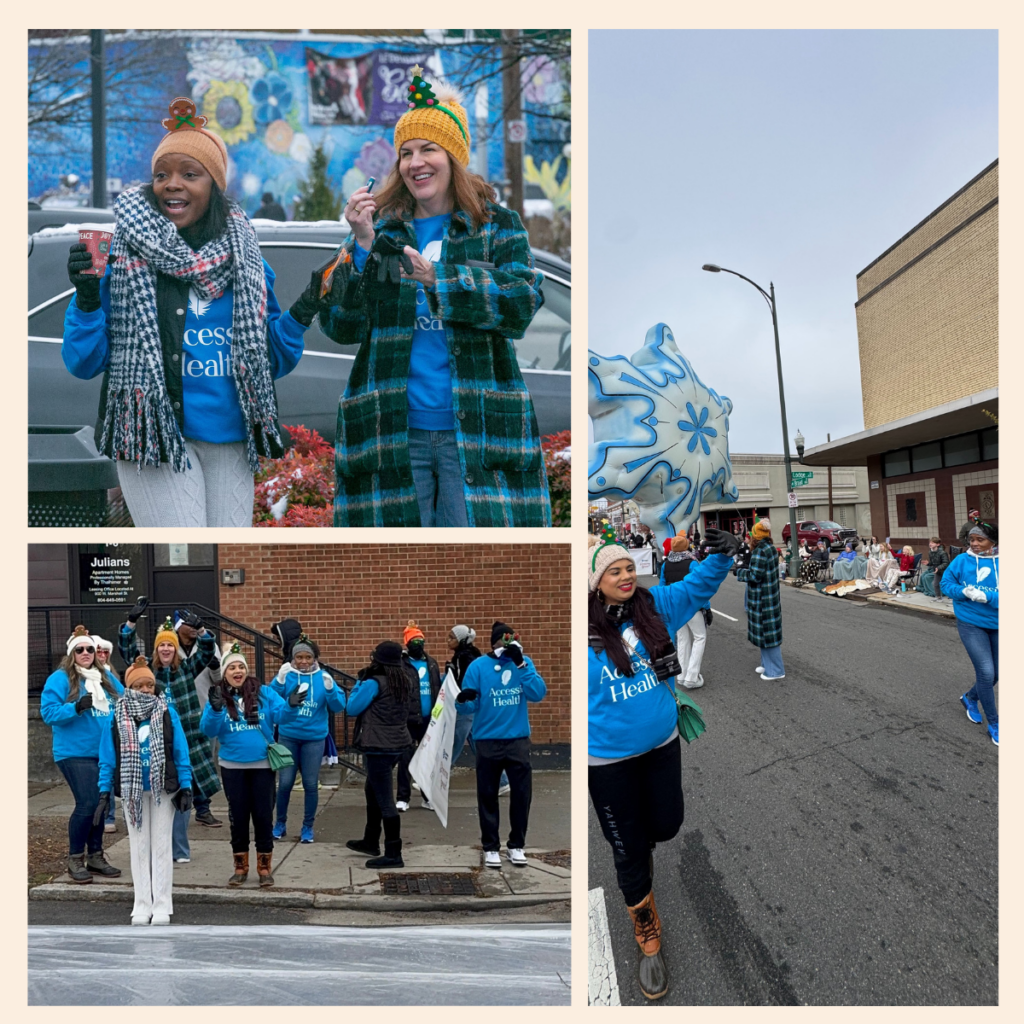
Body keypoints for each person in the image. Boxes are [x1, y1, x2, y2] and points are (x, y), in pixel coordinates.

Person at [61, 96, 316, 527]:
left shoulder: (248, 260)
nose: (171, 184)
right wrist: (86, 299)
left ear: (214, 187)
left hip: (232, 442)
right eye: (162, 174)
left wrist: (304, 311)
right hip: (154, 438)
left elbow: (272, 360)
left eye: (189, 174)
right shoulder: (123, 258)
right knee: (188, 553)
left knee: (226, 562)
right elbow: (83, 362)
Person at [320, 68, 550, 528]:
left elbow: (521, 304)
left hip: (481, 431)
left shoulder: (495, 226)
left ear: (454, 157)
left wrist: (439, 278)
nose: (415, 162)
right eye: (406, 153)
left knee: (476, 562)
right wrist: (361, 247)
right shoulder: (378, 229)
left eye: (428, 149)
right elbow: (338, 324)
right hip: (393, 431)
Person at [588, 523, 739, 1000]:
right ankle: (647, 934)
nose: (626, 575)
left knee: (668, 824)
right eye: (615, 570)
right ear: (595, 581)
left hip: (662, 745)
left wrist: (720, 556)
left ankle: (641, 844)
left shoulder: (654, 609)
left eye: (630, 567)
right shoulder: (580, 629)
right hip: (607, 762)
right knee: (629, 849)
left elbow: (697, 587)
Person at [119, 602, 221, 865]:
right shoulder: (149, 674)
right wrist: (131, 622)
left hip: (187, 742)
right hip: (157, 744)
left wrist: (200, 629)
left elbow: (208, 650)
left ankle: (179, 849)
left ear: (175, 649)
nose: (166, 649)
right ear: (156, 649)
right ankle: (157, 848)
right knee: (161, 796)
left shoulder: (187, 669)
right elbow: (128, 649)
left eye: (170, 645)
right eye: (162, 645)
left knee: (184, 794)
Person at [96, 656, 192, 925]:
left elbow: (180, 751)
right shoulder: (116, 715)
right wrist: (104, 790)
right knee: (139, 846)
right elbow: (107, 756)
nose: (146, 690)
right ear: (129, 688)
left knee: (161, 845)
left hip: (164, 788)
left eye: (149, 685)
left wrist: (186, 785)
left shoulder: (166, 712)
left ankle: (162, 904)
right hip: (132, 790)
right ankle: (142, 903)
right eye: (139, 686)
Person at [200, 642, 300, 886]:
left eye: (241, 667)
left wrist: (291, 705)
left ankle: (264, 869)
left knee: (264, 817)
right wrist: (214, 710)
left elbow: (281, 717)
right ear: (224, 673)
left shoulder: (263, 692)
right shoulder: (218, 696)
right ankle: (240, 867)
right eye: (232, 667)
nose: (237, 671)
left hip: (263, 767)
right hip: (233, 768)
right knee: (239, 819)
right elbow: (207, 730)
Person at [456, 622, 547, 870]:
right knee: (487, 795)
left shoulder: (523, 663)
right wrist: (463, 702)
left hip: (517, 740)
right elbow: (469, 705)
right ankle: (490, 847)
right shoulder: (478, 667)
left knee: (521, 794)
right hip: (487, 740)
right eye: (504, 642)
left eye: (512, 641)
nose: (508, 646)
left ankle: (517, 845)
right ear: (495, 642)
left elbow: (538, 693)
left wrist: (521, 665)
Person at [40, 625, 125, 884]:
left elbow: (125, 702)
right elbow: (48, 713)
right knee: (88, 803)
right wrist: (75, 707)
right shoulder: (60, 678)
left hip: (104, 752)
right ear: (72, 653)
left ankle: (96, 856)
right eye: (80, 649)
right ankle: (75, 857)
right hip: (75, 752)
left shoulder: (106, 678)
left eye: (91, 649)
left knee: (101, 804)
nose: (86, 652)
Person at [344, 641, 422, 868]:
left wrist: (360, 682)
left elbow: (352, 708)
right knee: (372, 789)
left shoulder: (373, 683)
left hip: (378, 746)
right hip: (398, 743)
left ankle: (393, 853)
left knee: (385, 800)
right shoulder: (404, 681)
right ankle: (370, 840)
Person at [270, 634, 345, 843]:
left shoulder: (323, 677)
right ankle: (280, 824)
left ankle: (307, 827)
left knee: (311, 784)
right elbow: (270, 699)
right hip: (288, 736)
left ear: (314, 658)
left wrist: (330, 690)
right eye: (299, 657)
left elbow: (339, 706)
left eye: (308, 657)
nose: (303, 662)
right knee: (284, 783)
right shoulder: (289, 675)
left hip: (314, 738)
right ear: (293, 658)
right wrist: (279, 680)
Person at [942, 523, 999, 746]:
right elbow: (947, 584)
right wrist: (963, 592)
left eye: (980, 540)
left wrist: (990, 598)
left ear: (993, 541)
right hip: (971, 623)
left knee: (997, 674)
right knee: (986, 672)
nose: (974, 544)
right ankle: (995, 723)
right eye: (972, 539)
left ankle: (970, 698)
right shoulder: (962, 560)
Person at [396, 621, 442, 812]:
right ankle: (403, 798)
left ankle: (427, 796)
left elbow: (437, 688)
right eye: (414, 641)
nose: (418, 644)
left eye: (420, 640)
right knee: (406, 759)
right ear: (407, 643)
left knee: (428, 760)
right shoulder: (401, 664)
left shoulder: (431, 663)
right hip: (407, 719)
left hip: (428, 719)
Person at [737, 519, 786, 680]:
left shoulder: (759, 551)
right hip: (769, 596)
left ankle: (776, 671)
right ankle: (767, 664)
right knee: (767, 634)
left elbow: (754, 576)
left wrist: (740, 572)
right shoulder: (770, 548)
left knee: (768, 635)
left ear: (755, 536)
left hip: (762, 599)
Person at [659, 536, 709, 690]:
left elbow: (662, 585)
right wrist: (706, 606)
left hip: (674, 606)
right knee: (700, 637)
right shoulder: (692, 563)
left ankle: (681, 675)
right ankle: (692, 676)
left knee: (682, 639)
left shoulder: (665, 564)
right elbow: (700, 586)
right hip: (691, 605)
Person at [92, 634, 121, 832]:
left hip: (111, 733)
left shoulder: (111, 675)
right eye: (98, 651)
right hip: (92, 737)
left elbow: (123, 696)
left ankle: (110, 816)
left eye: (105, 652)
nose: (102, 655)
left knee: (109, 775)